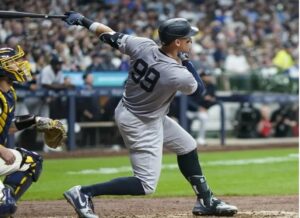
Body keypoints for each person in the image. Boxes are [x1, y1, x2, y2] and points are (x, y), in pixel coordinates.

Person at [62, 12, 238, 218]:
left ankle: (205, 200)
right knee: (145, 184)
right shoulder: (176, 73)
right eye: (187, 38)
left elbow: (108, 35)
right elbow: (199, 90)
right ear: (177, 43)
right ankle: (83, 192)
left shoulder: (143, 45)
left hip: (139, 110)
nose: (191, 41)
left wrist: (83, 21)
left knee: (187, 146)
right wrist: (186, 61)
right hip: (140, 121)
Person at [0, 45, 62, 217]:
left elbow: (5, 126)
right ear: (2, 68)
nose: (21, 64)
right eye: (14, 62)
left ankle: (6, 199)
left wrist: (35, 121)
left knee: (33, 162)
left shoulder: (9, 92)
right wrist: (2, 149)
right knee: (3, 206)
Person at [187, 70, 217, 145]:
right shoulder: (194, 85)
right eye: (206, 76)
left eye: (209, 75)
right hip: (189, 110)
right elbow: (188, 100)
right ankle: (187, 139)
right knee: (185, 119)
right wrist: (198, 107)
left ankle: (201, 138)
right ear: (201, 77)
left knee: (204, 117)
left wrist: (208, 103)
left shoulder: (211, 86)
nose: (208, 77)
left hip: (201, 111)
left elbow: (212, 98)